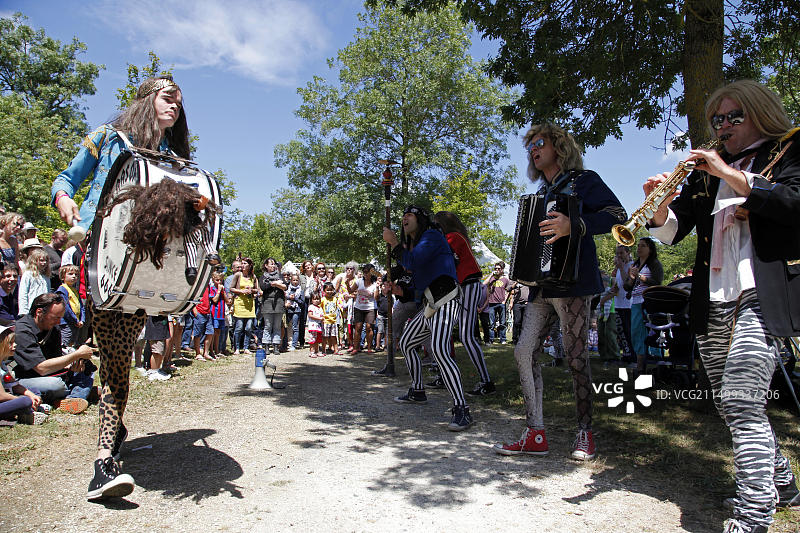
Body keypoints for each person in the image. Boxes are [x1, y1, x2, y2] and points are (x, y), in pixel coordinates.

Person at [645, 80, 800, 533]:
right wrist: (658, 209)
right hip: (712, 299)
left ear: (760, 112)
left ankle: (754, 513)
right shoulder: (706, 172)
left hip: (762, 294)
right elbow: (676, 232)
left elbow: (793, 203)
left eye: (735, 117)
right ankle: (784, 480)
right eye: (717, 120)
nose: (724, 126)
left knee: (739, 396)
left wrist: (730, 175)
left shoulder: (790, 151)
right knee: (735, 403)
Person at [51, 75, 191, 501]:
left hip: (143, 269)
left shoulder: (172, 158)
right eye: (169, 98)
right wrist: (65, 201)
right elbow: (65, 179)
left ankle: (113, 418)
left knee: (116, 358)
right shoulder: (108, 138)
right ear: (148, 98)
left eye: (179, 103)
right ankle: (104, 463)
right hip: (100, 259)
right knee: (114, 360)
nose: (176, 107)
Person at [493, 123, 626, 460]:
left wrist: (574, 224)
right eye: (530, 147)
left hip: (575, 283)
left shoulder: (585, 181)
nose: (534, 150)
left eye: (540, 143)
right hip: (542, 287)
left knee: (576, 357)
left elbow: (617, 214)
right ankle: (535, 433)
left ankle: (585, 434)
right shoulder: (540, 194)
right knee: (524, 352)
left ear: (560, 147)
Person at [382, 205, 473, 431]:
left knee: (441, 350)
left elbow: (412, 262)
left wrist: (393, 244)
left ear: (420, 220)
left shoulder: (432, 236)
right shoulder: (416, 247)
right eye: (403, 215)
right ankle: (418, 390)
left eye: (409, 215)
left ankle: (462, 409)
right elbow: (417, 288)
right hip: (431, 303)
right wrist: (400, 291)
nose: (404, 218)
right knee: (407, 342)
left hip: (447, 298)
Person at [433, 210, 495, 395]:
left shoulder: (453, 237)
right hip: (464, 286)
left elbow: (445, 259)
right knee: (443, 331)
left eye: (437, 224)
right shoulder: (458, 237)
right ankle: (445, 375)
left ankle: (486, 382)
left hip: (467, 285)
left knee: (467, 336)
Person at [13, 293, 95, 412]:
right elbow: (41, 368)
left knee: (87, 372)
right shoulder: (22, 331)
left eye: (60, 318)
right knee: (56, 384)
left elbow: (55, 361)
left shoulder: (53, 329)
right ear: (39, 312)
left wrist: (73, 365)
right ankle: (76, 395)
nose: (58, 322)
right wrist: (76, 355)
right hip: (21, 379)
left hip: (46, 375)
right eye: (55, 317)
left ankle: (68, 398)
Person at [622, 237, 663, 374]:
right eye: (638, 246)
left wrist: (640, 277)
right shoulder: (635, 265)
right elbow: (627, 287)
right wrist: (632, 278)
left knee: (651, 333)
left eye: (643, 246)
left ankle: (654, 364)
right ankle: (640, 365)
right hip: (636, 302)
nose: (639, 248)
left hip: (649, 303)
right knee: (636, 333)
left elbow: (657, 282)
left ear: (650, 249)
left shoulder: (654, 264)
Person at [0, 325, 48, 425]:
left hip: (5, 400)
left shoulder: (2, 365)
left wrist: (31, 395)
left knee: (33, 391)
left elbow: (14, 385)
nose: (15, 345)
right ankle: (29, 412)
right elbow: (1, 396)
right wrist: (23, 399)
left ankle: (27, 410)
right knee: (25, 401)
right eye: (10, 343)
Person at [231, 257, 258, 355]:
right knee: (239, 327)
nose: (242, 265)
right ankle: (237, 348)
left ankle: (246, 347)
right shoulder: (238, 275)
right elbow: (231, 288)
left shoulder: (253, 276)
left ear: (250, 265)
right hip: (239, 303)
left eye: (245, 263)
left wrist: (251, 290)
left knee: (248, 328)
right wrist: (241, 291)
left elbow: (257, 289)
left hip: (250, 305)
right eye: (242, 263)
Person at [259, 258, 286, 356]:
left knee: (277, 326)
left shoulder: (280, 276)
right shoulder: (263, 277)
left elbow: (285, 286)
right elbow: (263, 287)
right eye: (271, 264)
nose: (273, 266)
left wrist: (278, 284)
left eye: (274, 264)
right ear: (266, 265)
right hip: (267, 303)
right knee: (268, 326)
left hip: (279, 302)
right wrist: (274, 284)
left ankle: (276, 346)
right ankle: (266, 345)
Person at [350, 264, 379, 354]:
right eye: (364, 272)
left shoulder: (375, 284)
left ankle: (369, 348)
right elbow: (350, 290)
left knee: (369, 327)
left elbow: (376, 298)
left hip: (370, 308)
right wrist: (347, 284)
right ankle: (356, 348)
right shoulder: (359, 281)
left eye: (368, 272)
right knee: (358, 327)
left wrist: (377, 287)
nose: (365, 274)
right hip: (359, 307)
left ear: (372, 273)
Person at [55, 265, 85, 348]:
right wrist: (75, 320)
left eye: (76, 274)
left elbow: (81, 306)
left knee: (73, 344)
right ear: (62, 276)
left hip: (76, 322)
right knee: (65, 343)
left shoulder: (75, 290)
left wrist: (82, 319)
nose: (74, 276)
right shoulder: (62, 290)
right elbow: (66, 308)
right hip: (66, 323)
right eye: (70, 274)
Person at [18, 248, 51, 316]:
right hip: (31, 309)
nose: (44, 263)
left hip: (43, 309)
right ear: (34, 261)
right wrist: (24, 311)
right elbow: (23, 293)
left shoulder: (46, 276)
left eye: (46, 260)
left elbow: (48, 292)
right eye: (41, 260)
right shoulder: (28, 274)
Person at [483, 262, 510, 344]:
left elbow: (508, 291)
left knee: (502, 322)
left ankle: (503, 339)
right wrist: (491, 275)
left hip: (501, 303)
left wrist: (505, 300)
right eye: (495, 268)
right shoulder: (491, 278)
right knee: (491, 323)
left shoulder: (505, 279)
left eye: (499, 269)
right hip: (491, 303)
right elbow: (484, 284)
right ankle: (491, 339)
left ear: (502, 270)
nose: (497, 270)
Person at [285, 273, 304, 351]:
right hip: (288, 309)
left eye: (297, 280)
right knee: (287, 326)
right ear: (291, 280)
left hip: (296, 310)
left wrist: (295, 298)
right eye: (293, 280)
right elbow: (285, 297)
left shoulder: (301, 290)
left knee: (295, 327)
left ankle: (294, 344)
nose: (295, 281)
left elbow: (302, 302)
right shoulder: (287, 289)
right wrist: (289, 298)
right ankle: (287, 342)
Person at [320, 282, 340, 355]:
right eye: (327, 290)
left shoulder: (335, 299)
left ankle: (336, 349)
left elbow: (338, 307)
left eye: (331, 290)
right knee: (325, 336)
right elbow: (319, 308)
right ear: (324, 291)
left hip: (333, 321)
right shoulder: (322, 299)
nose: (329, 291)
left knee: (334, 336)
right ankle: (323, 350)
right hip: (325, 321)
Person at [306, 292, 324, 357]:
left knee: (318, 340)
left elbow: (322, 316)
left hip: (318, 327)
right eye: (315, 299)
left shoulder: (320, 308)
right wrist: (319, 318)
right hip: (313, 326)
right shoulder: (311, 307)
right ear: (311, 300)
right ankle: (312, 351)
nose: (317, 300)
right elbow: (310, 315)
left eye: (318, 299)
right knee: (312, 339)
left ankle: (317, 351)